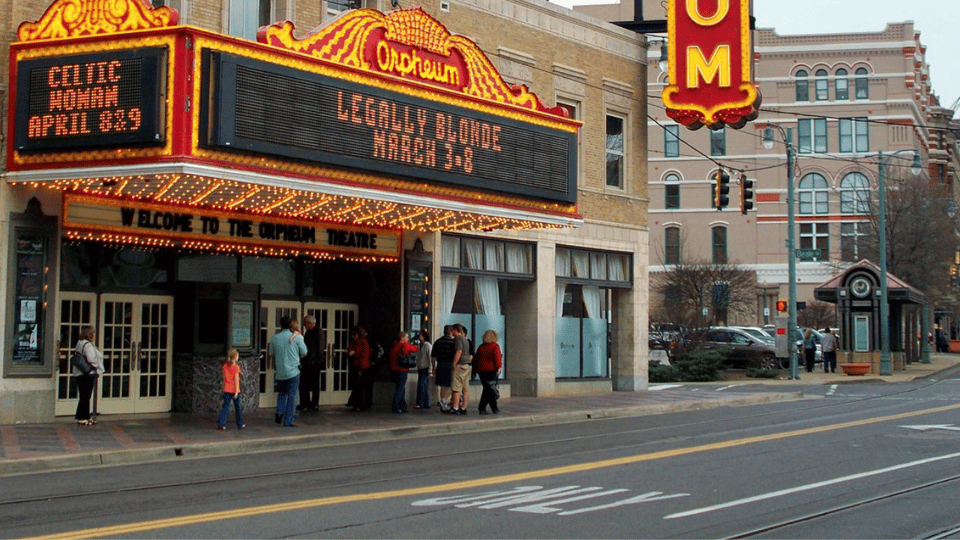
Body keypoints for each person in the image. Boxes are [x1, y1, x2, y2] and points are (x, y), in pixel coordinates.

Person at [269, 316, 306, 427]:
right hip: (293, 371)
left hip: (280, 371)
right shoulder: (297, 338)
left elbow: (271, 353)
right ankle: (288, 421)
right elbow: (304, 352)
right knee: (292, 396)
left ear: (281, 325)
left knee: (281, 393)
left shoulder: (275, 338)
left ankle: (279, 412)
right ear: (290, 325)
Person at [74, 325, 104, 426]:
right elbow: (91, 359)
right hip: (87, 373)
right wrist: (96, 366)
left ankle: (83, 416)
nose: (94, 335)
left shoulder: (80, 342)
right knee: (86, 395)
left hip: (79, 373)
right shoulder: (87, 345)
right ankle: (83, 417)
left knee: (84, 395)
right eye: (93, 333)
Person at [298, 315, 325, 411]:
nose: (305, 326)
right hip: (307, 361)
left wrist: (317, 361)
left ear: (310, 323)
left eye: (305, 324)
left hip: (314, 363)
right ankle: (305, 403)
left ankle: (314, 403)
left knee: (314, 384)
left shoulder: (319, 332)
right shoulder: (308, 332)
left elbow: (320, 349)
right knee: (304, 384)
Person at [474, 329, 503, 415]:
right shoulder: (495, 346)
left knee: (487, 389)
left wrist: (475, 369)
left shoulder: (481, 347)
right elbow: (497, 358)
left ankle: (491, 408)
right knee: (489, 389)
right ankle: (486, 407)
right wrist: (499, 367)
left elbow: (476, 359)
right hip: (491, 370)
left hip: (482, 371)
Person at [389, 331, 418, 413]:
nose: (408, 339)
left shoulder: (394, 346)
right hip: (402, 369)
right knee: (400, 389)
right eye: (406, 337)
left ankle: (403, 406)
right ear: (402, 338)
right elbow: (415, 349)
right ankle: (396, 407)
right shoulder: (404, 345)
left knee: (400, 388)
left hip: (394, 369)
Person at [347, 325, 374, 411]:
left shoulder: (363, 341)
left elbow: (364, 354)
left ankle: (360, 404)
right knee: (357, 386)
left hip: (362, 366)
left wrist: (354, 353)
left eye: (354, 334)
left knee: (360, 387)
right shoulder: (355, 342)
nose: (353, 336)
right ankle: (357, 404)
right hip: (357, 365)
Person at [217, 349, 245, 429]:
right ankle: (240, 423)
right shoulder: (236, 367)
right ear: (235, 357)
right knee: (238, 407)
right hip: (234, 389)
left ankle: (221, 424)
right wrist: (236, 391)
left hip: (226, 389)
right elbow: (236, 380)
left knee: (225, 407)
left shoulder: (225, 366)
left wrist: (223, 388)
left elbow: (224, 378)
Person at [430, 325, 456, 412]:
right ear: (451, 332)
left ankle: (443, 402)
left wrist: (433, 367)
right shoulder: (453, 343)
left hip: (440, 364)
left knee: (442, 385)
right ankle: (443, 400)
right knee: (450, 384)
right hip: (449, 364)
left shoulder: (438, 342)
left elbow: (433, 356)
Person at [449, 324, 472, 415]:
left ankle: (455, 407)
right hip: (467, 365)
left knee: (456, 386)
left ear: (455, 330)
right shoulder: (465, 339)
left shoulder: (458, 339)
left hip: (460, 364)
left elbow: (459, 351)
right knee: (465, 387)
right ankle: (464, 407)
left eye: (452, 330)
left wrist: (454, 363)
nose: (452, 332)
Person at [414, 329, 432, 409]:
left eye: (421, 335)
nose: (419, 336)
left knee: (422, 385)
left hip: (425, 367)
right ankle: (426, 403)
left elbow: (430, 357)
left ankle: (421, 402)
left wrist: (430, 369)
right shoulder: (420, 345)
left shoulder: (427, 345)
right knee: (423, 385)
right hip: (421, 367)